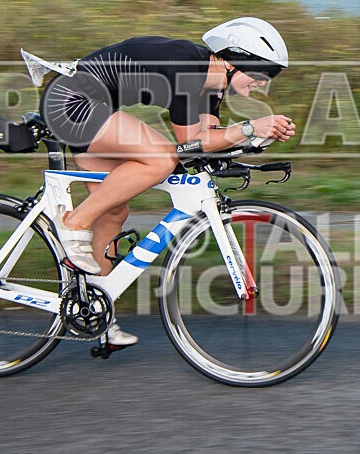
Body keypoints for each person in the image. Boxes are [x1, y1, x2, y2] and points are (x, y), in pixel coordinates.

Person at [38, 17, 296, 346]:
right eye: (263, 72)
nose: (264, 82)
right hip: (71, 100)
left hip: (90, 107)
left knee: (114, 212)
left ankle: (95, 311)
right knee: (161, 158)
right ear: (234, 59)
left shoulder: (210, 86)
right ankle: (74, 223)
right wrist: (249, 128)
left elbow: (208, 143)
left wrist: (258, 138)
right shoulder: (188, 68)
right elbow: (188, 144)